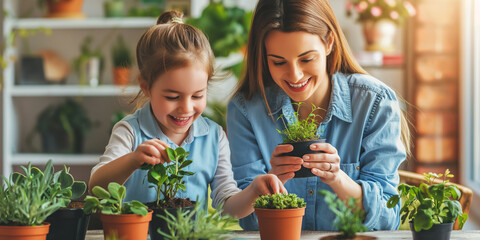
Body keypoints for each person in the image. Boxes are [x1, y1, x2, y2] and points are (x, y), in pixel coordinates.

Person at [227, 0, 410, 231]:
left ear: (329, 43)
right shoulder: (245, 110)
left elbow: (387, 216)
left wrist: (338, 179)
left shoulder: (374, 102)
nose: (295, 75)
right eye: (278, 61)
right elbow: (249, 221)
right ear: (264, 57)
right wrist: (272, 181)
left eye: (306, 59)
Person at [89, 10, 286, 219]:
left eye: (197, 95)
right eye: (173, 97)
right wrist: (133, 160)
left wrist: (255, 191)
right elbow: (95, 188)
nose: (186, 108)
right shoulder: (130, 131)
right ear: (145, 87)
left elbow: (227, 208)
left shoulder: (214, 136)